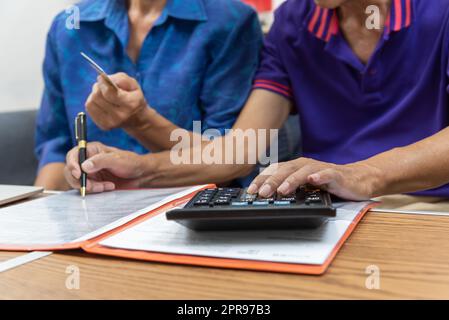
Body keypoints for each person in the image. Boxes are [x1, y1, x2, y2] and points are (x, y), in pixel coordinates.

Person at [65, 0, 449, 200]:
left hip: (428, 211)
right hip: (332, 215)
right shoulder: (291, 25)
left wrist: (364, 174)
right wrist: (142, 166)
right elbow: (238, 152)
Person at [34, 0, 263, 190]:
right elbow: (55, 150)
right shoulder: (69, 26)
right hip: (89, 215)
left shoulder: (229, 22)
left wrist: (141, 122)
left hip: (185, 216)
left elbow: (227, 162)